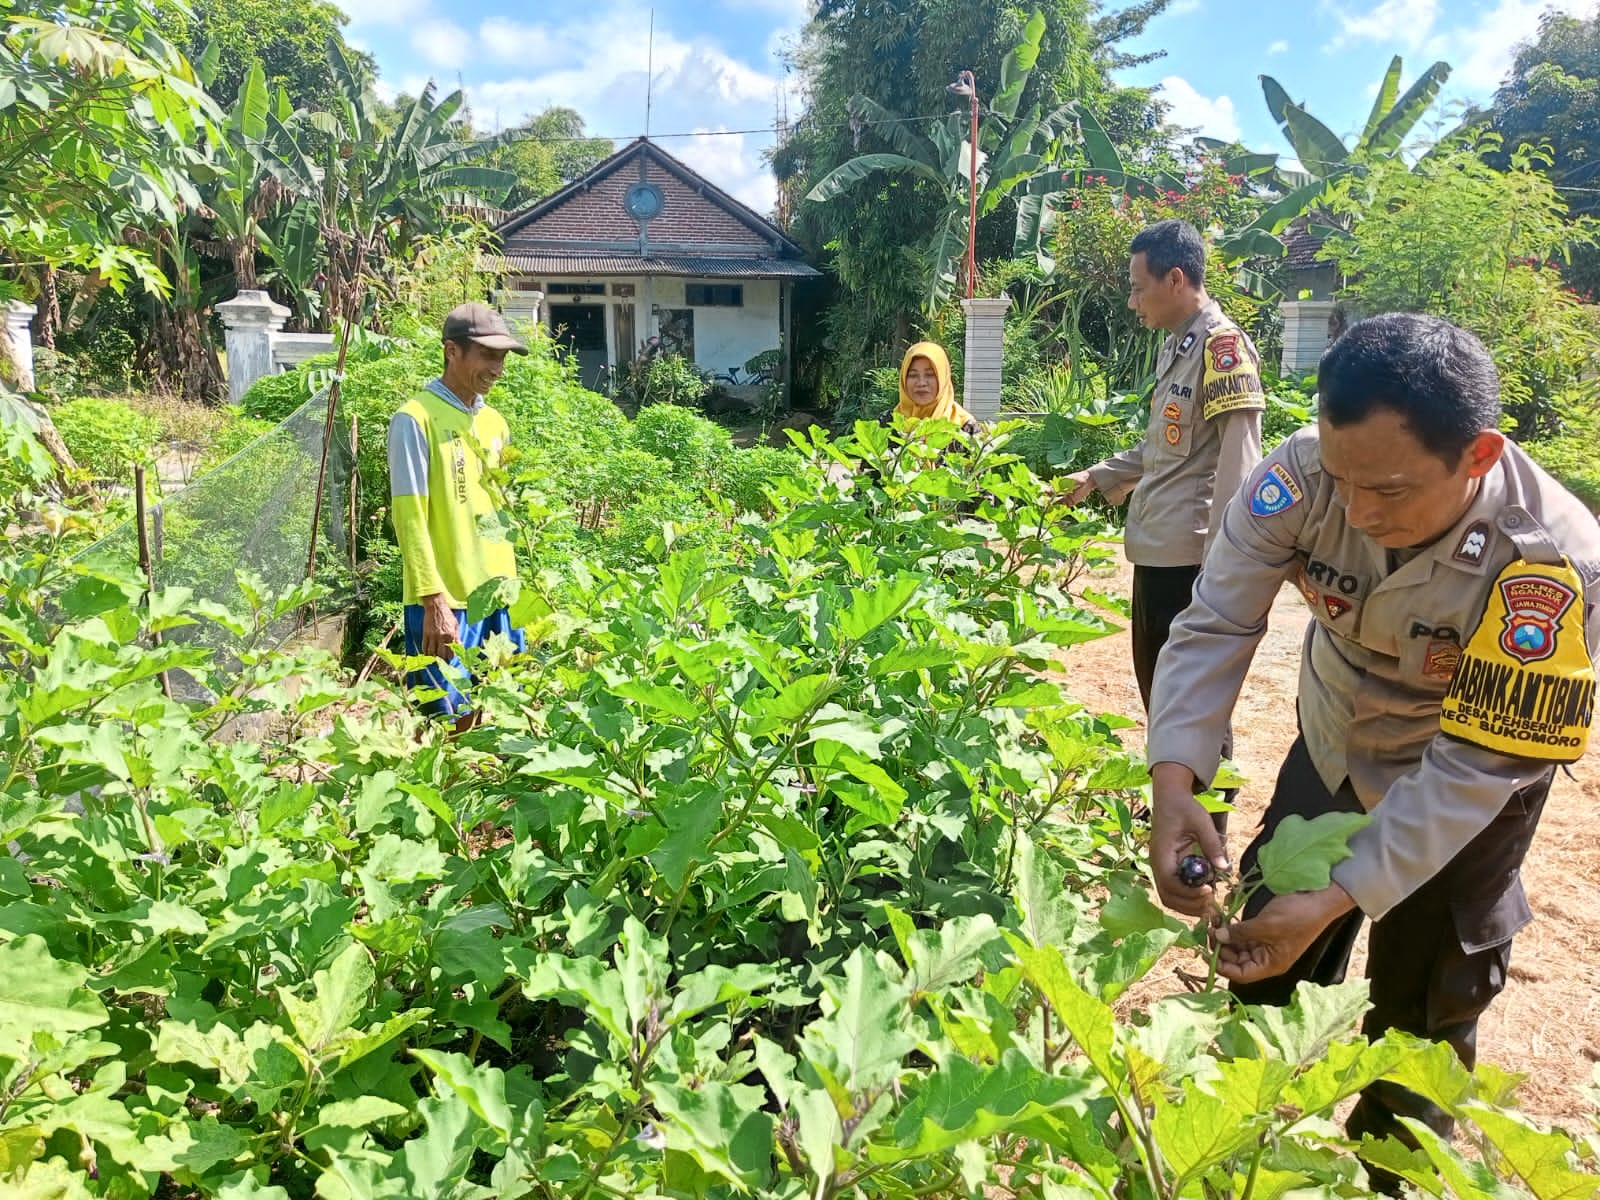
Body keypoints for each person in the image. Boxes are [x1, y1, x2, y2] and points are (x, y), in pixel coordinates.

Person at [1145, 312, 1600, 1179]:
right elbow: (1215, 624)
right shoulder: (1301, 477)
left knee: (1426, 1009)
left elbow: (1477, 769)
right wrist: (1176, 784)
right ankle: (1219, 1157)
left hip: (1467, 776)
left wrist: (1341, 895)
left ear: (1481, 455)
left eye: (1388, 490)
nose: (1355, 510)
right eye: (1342, 477)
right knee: (1259, 961)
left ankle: (1390, 1177)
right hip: (1336, 733)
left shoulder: (1553, 565)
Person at [1062, 218, 1265, 830]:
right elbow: (1163, 452)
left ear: (1176, 279)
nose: (1132, 300)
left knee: (1194, 706)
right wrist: (1098, 476)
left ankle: (1207, 835)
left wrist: (1227, 562)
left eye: (1138, 286)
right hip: (1157, 554)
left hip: (1192, 562)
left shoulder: (1223, 347)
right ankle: (1176, 818)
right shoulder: (1177, 345)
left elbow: (1240, 457)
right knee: (1162, 697)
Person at [387, 302, 530, 730]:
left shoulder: (494, 423)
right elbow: (409, 517)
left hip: (497, 595)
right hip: (448, 602)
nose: (497, 367)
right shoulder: (414, 420)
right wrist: (434, 600)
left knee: (496, 705)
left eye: (502, 356)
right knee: (446, 719)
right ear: (452, 351)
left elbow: (500, 510)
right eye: (488, 355)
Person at [883, 342, 981, 436]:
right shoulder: (889, 423)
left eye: (930, 375)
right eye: (913, 375)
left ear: (943, 378)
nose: (921, 383)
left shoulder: (966, 429)